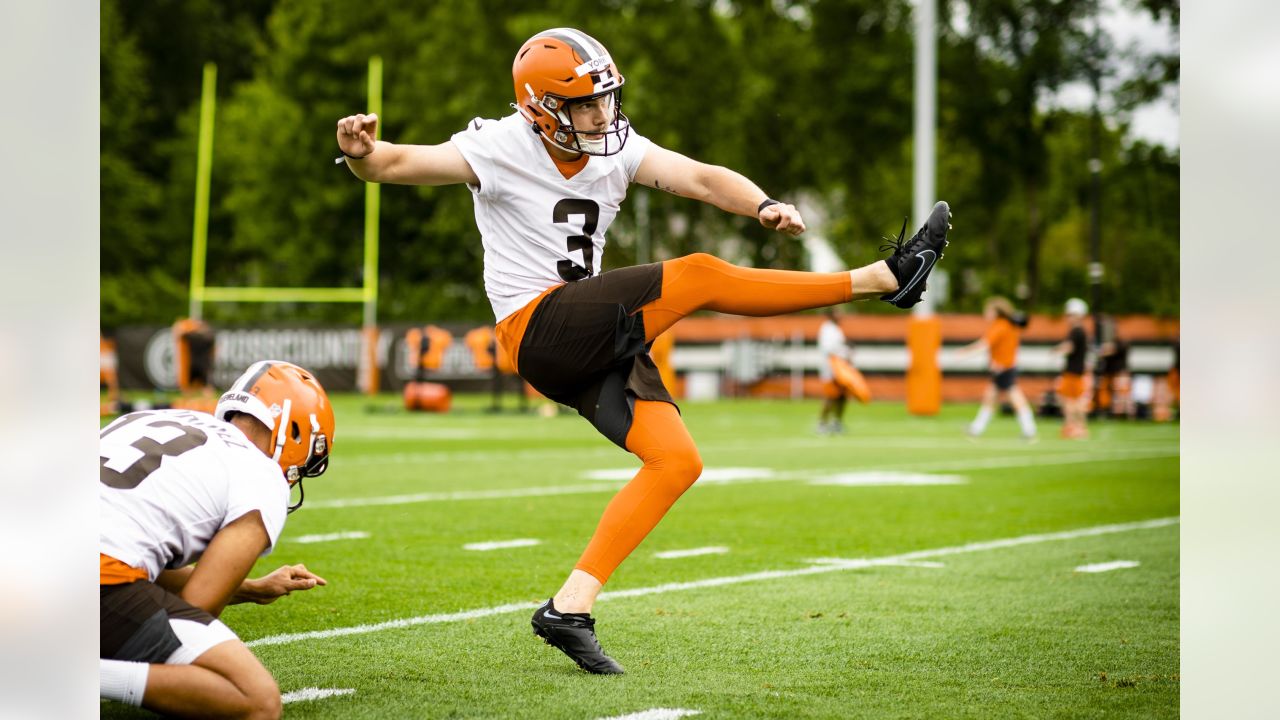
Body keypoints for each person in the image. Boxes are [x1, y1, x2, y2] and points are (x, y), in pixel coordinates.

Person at [336, 27, 952, 674]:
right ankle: (883, 279)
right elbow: (396, 164)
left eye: (607, 99)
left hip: (592, 333)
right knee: (699, 275)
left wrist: (762, 204)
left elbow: (701, 177)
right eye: (584, 105)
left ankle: (569, 607)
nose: (603, 115)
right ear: (540, 108)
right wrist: (360, 153)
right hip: (537, 327)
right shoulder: (499, 145)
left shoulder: (616, 145)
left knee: (676, 461)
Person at [100, 361, 336, 718]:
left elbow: (139, 562)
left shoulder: (152, 419)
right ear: (296, 432)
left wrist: (252, 589)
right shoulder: (263, 475)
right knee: (255, 700)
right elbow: (197, 609)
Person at [955, 296, 1036, 440]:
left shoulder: (1000, 325)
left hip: (1004, 368)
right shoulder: (1007, 325)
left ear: (996, 312)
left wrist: (964, 355)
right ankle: (977, 429)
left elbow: (984, 345)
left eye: (988, 310)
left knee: (1015, 398)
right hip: (1005, 367)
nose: (985, 313)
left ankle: (1029, 430)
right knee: (990, 398)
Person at [1053, 298, 1091, 439]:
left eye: (1070, 315)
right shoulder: (1079, 331)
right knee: (1073, 400)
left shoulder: (1076, 331)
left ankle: (1075, 427)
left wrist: (1056, 350)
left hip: (1073, 371)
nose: (1068, 318)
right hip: (1077, 370)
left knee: (1069, 400)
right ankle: (1078, 427)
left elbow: (1069, 347)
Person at [816, 307, 852, 434]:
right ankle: (822, 423)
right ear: (831, 314)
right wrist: (844, 352)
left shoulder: (837, 329)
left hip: (842, 369)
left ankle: (836, 422)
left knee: (842, 397)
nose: (841, 314)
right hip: (831, 369)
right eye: (838, 312)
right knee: (830, 397)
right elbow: (829, 350)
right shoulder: (827, 329)